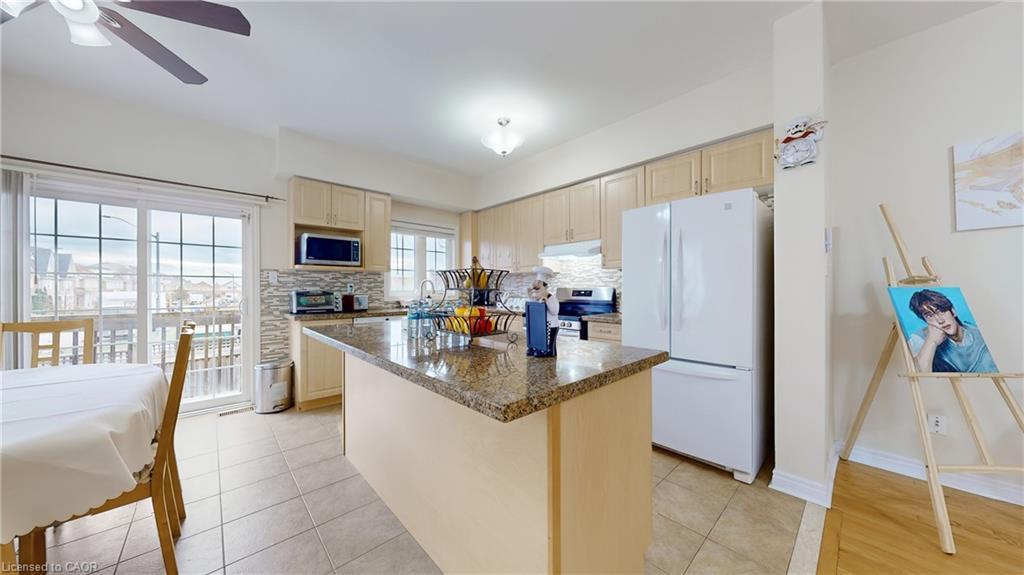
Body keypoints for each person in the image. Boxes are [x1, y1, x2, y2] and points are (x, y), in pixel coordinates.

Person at [907, 289, 997, 373]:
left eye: (941, 311)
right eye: (929, 316)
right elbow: (919, 375)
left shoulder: (978, 333)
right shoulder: (919, 339)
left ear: (953, 311)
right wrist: (932, 341)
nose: (940, 320)